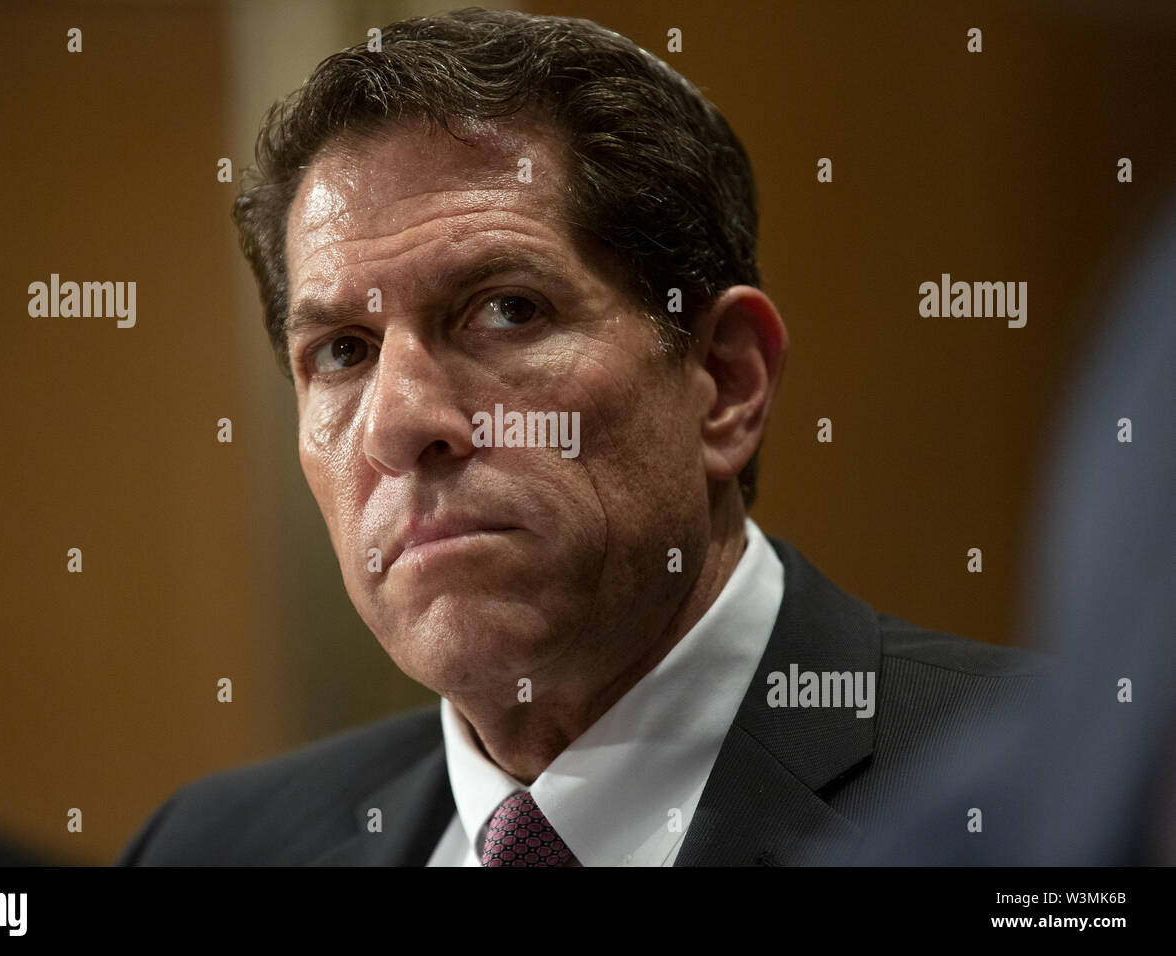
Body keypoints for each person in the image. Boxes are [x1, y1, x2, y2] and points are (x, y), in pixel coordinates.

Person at [119, 8, 1040, 867]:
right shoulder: (207, 847)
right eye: (343, 350)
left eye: (506, 310)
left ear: (724, 381)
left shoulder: (1064, 782)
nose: (399, 424)